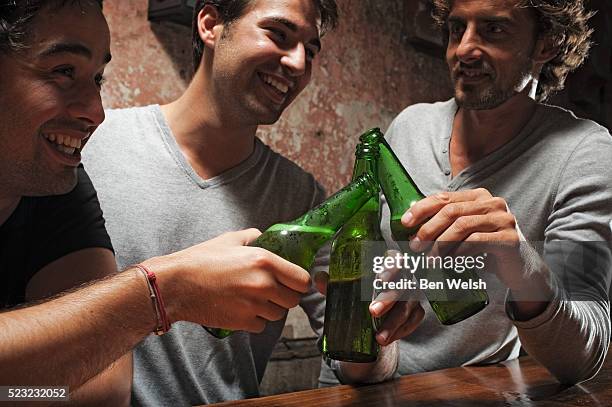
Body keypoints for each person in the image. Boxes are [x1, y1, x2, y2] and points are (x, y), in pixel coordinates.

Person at [0, 0, 314, 403]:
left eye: (98, 79)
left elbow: (102, 391)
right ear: (210, 24)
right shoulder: (87, 154)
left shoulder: (64, 180)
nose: (95, 113)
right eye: (64, 71)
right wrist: (162, 291)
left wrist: (400, 292)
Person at [323, 0, 612, 387]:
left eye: (494, 30)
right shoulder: (409, 128)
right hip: (365, 385)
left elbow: (584, 356)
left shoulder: (583, 152)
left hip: (475, 391)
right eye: (458, 29)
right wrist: (378, 316)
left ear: (548, 43)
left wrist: (522, 264)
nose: (464, 49)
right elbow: (360, 336)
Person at [81, 0, 347, 404]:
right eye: (278, 34)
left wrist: (382, 326)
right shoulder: (93, 144)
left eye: (310, 51)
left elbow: (351, 344)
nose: (297, 63)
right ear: (210, 24)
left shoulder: (301, 196)